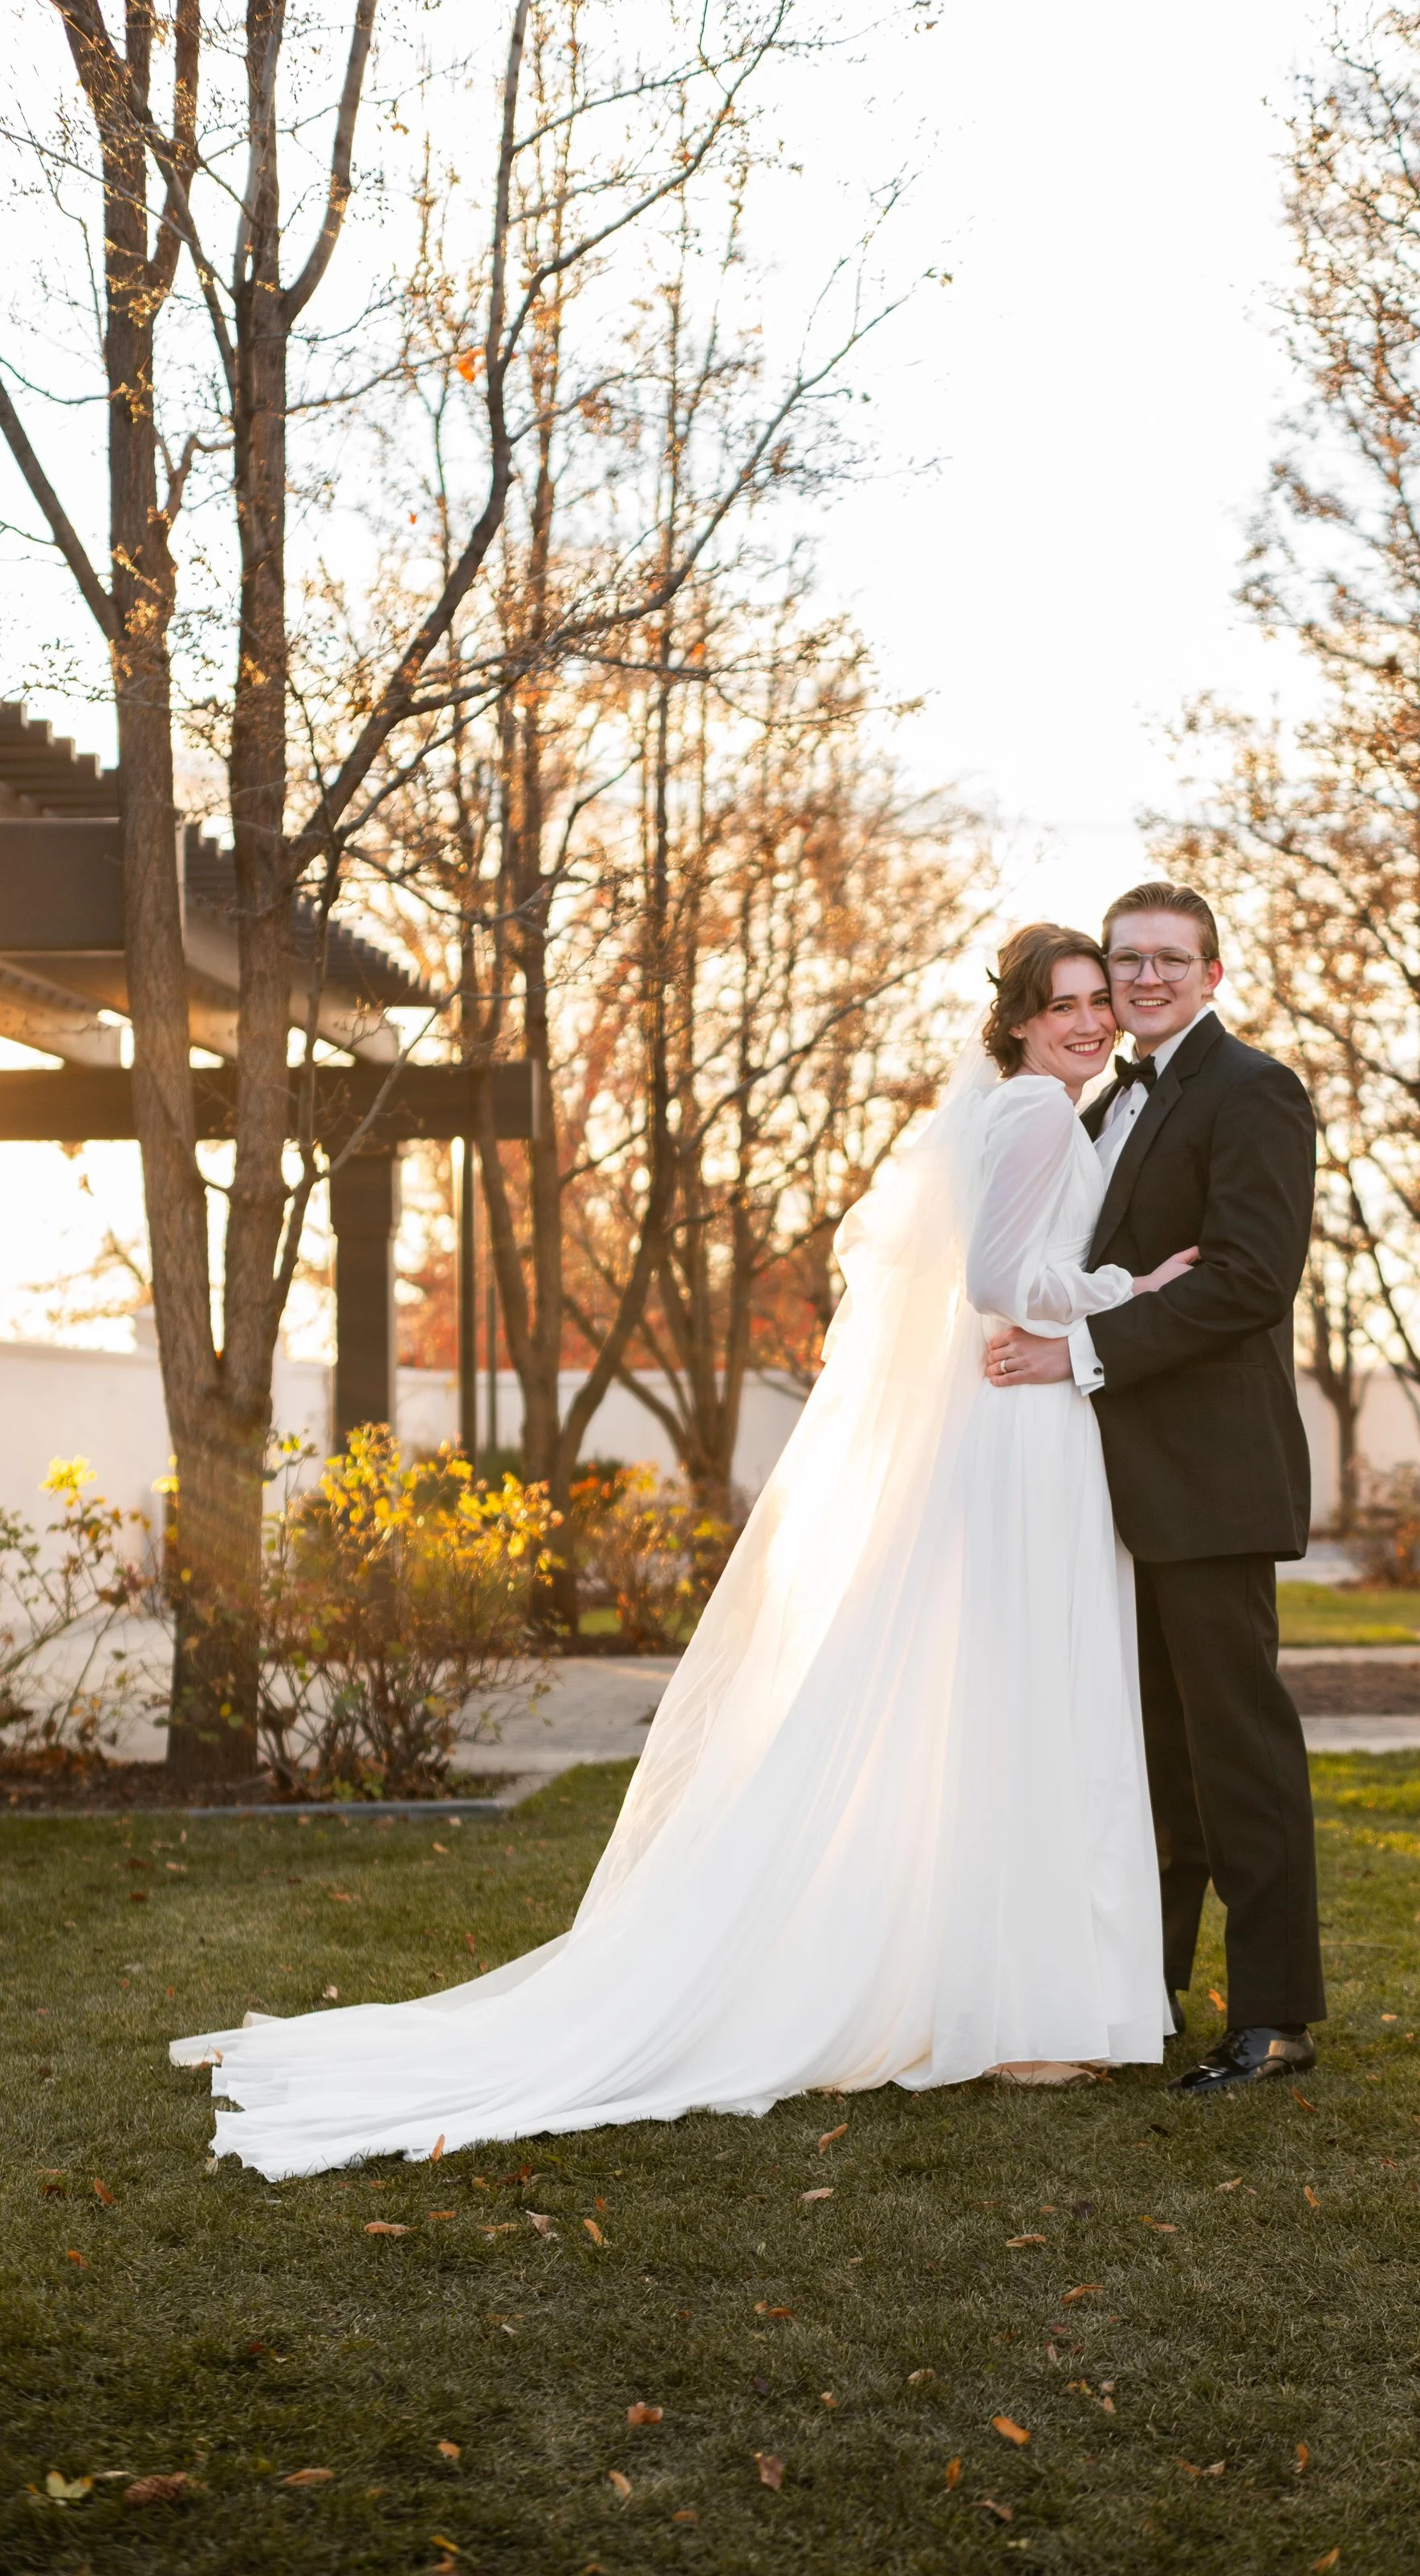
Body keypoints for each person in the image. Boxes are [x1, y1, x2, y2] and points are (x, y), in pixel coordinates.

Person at [171, 928, 1197, 2177]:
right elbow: (994, 1281)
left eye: (1102, 1003)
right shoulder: (1039, 1109)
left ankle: (997, 1995)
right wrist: (1128, 1293)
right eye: (1069, 1005)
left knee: (995, 1699)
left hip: (1017, 1423)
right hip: (1024, 1418)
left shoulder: (1025, 1105)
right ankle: (1019, 2011)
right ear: (1024, 1021)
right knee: (1026, 1697)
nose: (1093, 1021)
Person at [983, 880, 1326, 2097]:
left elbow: (1246, 1280)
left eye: (1170, 961)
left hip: (1211, 1480)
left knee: (1238, 1758)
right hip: (1110, 1488)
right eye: (1127, 960)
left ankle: (1276, 2017)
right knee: (1153, 1768)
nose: (1145, 979)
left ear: (1213, 975)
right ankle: (1152, 1995)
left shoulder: (1255, 1092)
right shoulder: (1102, 1105)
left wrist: (1075, 1351)